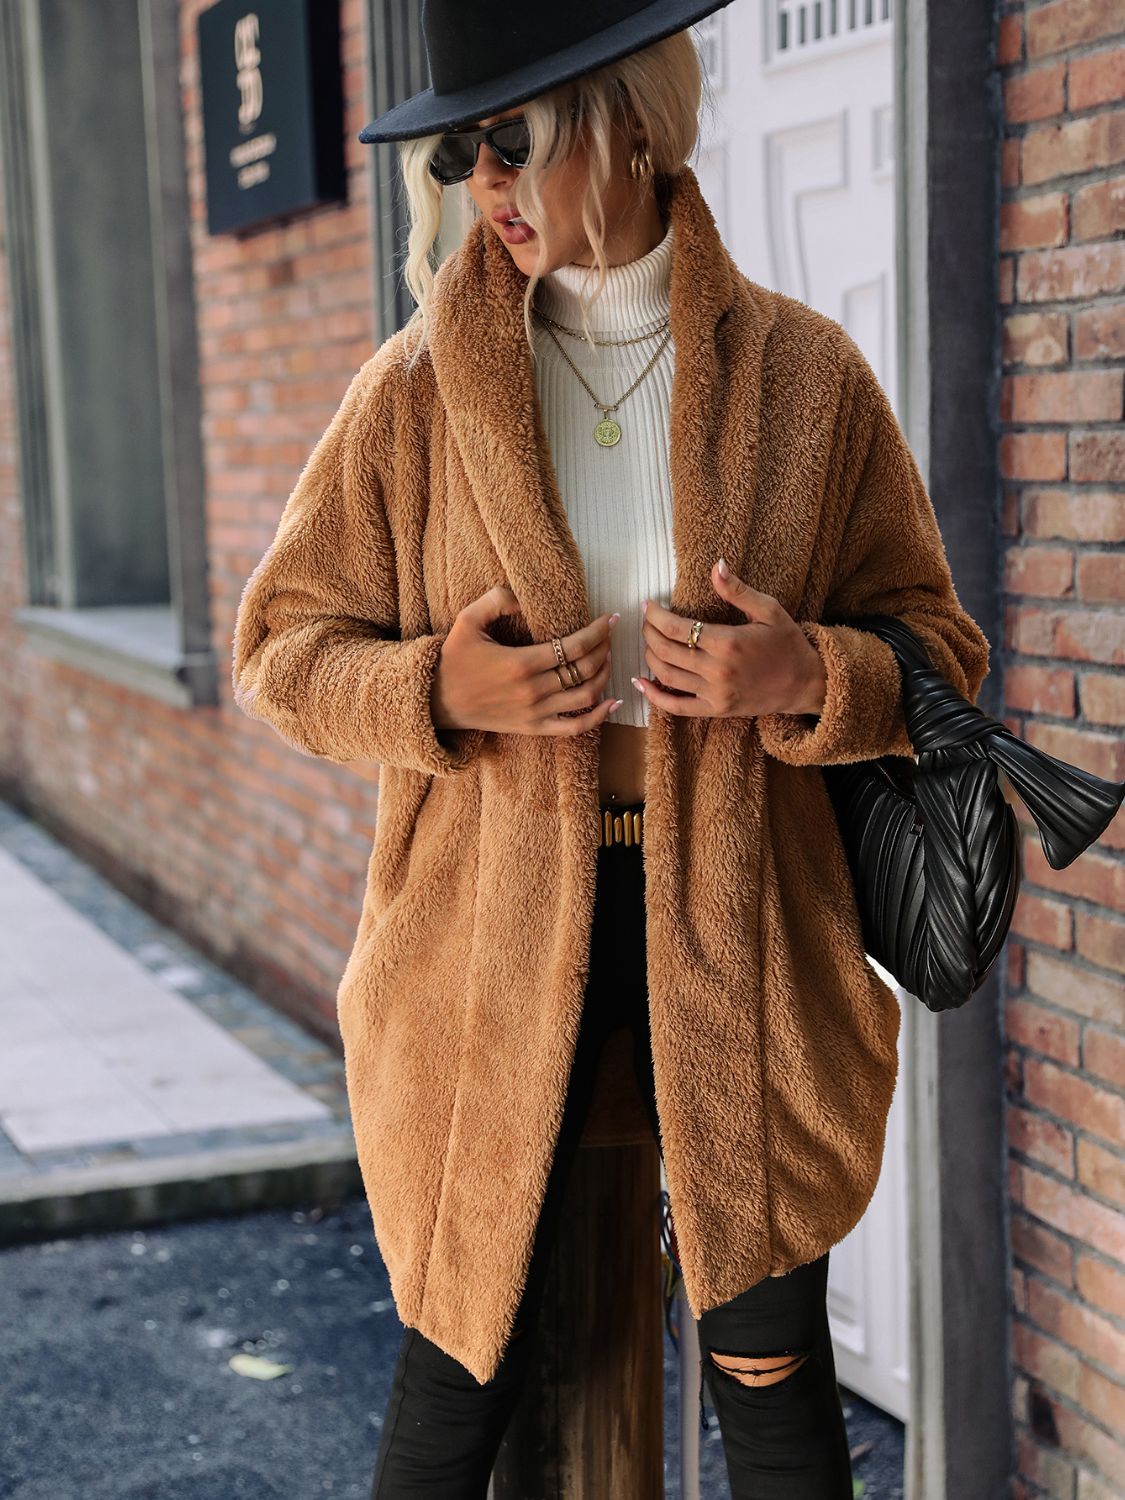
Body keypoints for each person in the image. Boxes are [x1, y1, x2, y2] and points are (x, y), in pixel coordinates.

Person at [231, 2, 992, 1496]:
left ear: (630, 121)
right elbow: (278, 653)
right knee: (460, 1372)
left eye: (515, 139)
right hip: (486, 947)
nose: (484, 183)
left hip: (744, 937)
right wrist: (441, 691)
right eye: (459, 152)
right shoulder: (413, 397)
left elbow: (936, 652)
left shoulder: (805, 378)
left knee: (772, 1383)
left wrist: (806, 670)